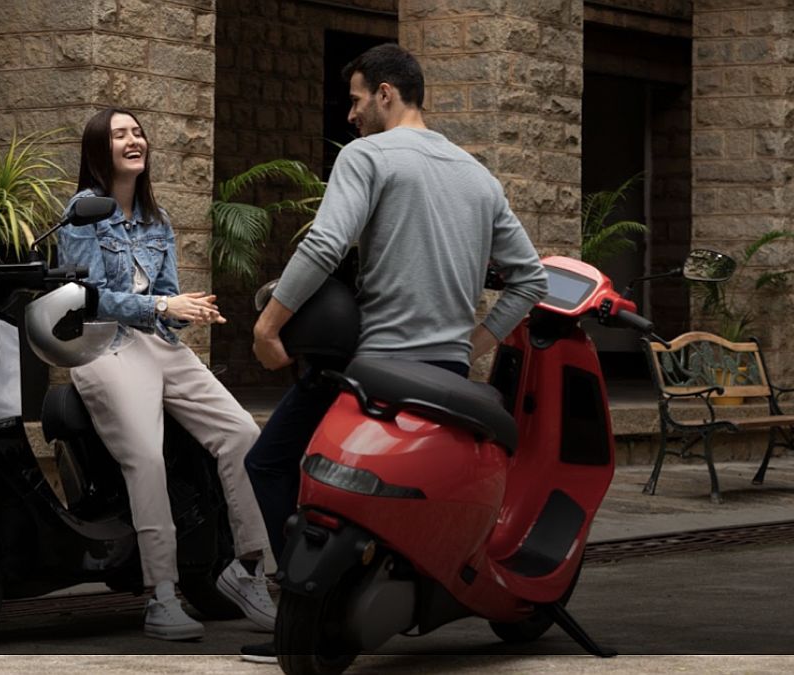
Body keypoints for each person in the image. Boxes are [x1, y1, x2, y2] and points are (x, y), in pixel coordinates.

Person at [241, 44, 549, 663]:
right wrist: (475, 343)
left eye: (356, 100)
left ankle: (303, 602)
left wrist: (268, 327)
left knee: (270, 463)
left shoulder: (367, 156)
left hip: (374, 368)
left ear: (386, 93)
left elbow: (326, 243)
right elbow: (531, 280)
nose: (350, 115)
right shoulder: (478, 177)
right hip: (448, 376)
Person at [56, 107, 276, 641]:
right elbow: (86, 298)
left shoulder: (158, 220)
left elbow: (168, 295)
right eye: (119, 135)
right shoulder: (83, 212)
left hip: (160, 343)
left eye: (137, 132)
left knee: (241, 433)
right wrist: (159, 306)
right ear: (99, 150)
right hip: (105, 348)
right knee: (146, 456)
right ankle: (161, 594)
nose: (134, 140)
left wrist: (188, 311)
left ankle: (249, 569)